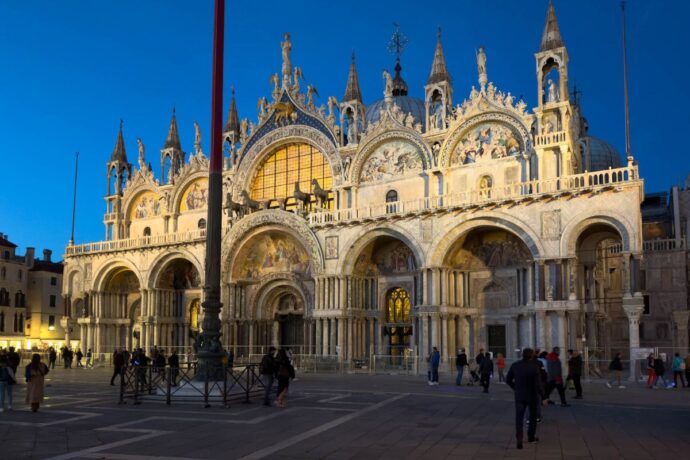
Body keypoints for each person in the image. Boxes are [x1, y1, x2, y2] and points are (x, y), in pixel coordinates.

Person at [506, 348, 548, 449]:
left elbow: (508, 379)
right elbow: (538, 384)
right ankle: (531, 437)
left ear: (522, 355)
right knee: (533, 417)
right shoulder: (534, 366)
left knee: (519, 418)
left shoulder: (515, 365)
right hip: (532, 395)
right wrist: (544, 397)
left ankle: (519, 439)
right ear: (532, 355)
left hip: (519, 395)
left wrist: (515, 387)